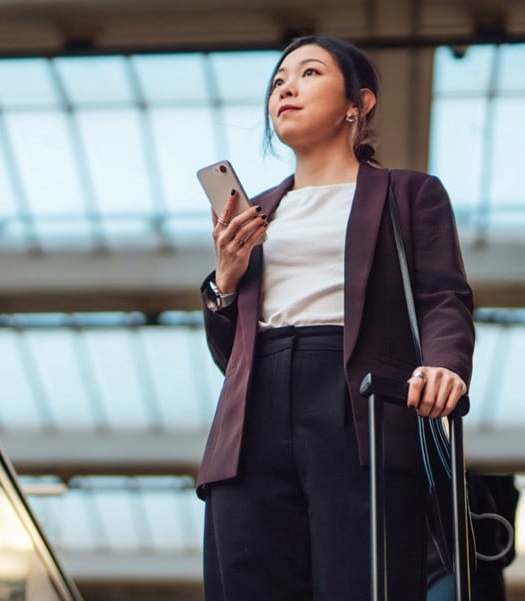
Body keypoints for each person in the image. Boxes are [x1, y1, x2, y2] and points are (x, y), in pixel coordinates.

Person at [197, 35, 475, 600]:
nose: (286, 88)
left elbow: (443, 296)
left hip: (360, 408)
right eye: (278, 81)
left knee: (363, 583)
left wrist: (446, 366)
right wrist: (225, 276)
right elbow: (232, 355)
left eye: (309, 73)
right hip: (251, 420)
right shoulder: (256, 212)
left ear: (359, 102)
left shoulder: (408, 194)